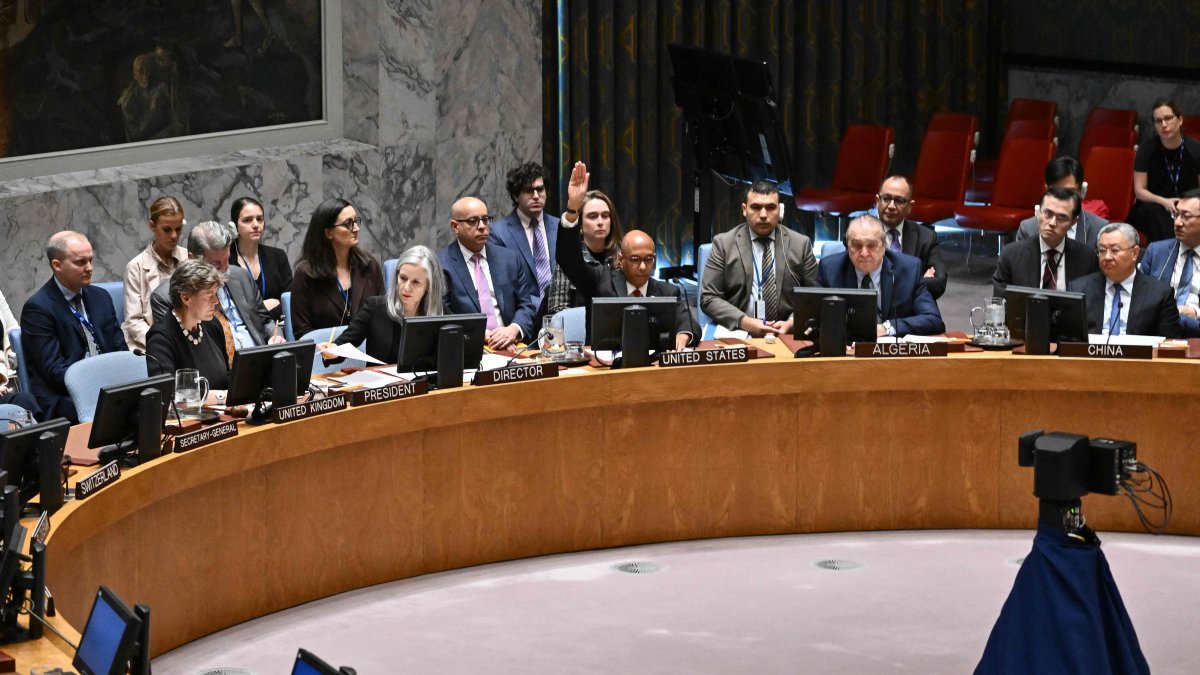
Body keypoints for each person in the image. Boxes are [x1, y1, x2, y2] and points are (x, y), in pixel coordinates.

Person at [21, 232, 127, 423]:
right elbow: (55, 371)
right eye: (80, 262)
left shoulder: (100, 297)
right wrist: (97, 383)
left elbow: (120, 348)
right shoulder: (38, 308)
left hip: (109, 387)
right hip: (65, 395)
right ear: (57, 265)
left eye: (90, 260)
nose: (89, 268)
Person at [700, 178, 818, 337]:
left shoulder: (801, 245)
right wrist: (745, 322)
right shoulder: (724, 244)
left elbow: (815, 295)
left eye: (770, 207)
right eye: (756, 207)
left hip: (786, 333)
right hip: (739, 332)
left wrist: (793, 322)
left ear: (780, 210)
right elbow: (709, 298)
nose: (763, 215)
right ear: (744, 209)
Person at [151, 221, 284, 357]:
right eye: (216, 264)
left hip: (260, 361)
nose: (226, 269)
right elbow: (180, 350)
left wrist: (276, 337)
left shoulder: (240, 276)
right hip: (213, 369)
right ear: (192, 259)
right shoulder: (166, 297)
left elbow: (265, 320)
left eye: (227, 259)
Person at [557, 223, 698, 350]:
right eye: (635, 260)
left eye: (649, 259)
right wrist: (571, 216)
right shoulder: (601, 282)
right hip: (605, 368)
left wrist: (684, 334)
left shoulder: (668, 292)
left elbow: (689, 323)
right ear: (621, 259)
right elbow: (570, 261)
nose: (643, 266)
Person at [816, 215, 945, 337]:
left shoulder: (909, 269)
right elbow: (815, 317)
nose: (864, 253)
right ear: (848, 246)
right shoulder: (830, 269)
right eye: (857, 245)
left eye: (871, 245)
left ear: (884, 246)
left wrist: (887, 328)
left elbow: (933, 319)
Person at [438, 196, 538, 350]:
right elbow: (443, 315)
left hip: (514, 345)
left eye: (485, 219)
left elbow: (526, 305)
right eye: (473, 221)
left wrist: (513, 330)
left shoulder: (509, 258)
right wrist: (477, 334)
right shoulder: (441, 264)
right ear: (454, 226)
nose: (482, 226)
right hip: (470, 348)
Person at [318, 245, 445, 364]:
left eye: (416, 282)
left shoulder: (441, 313)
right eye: (403, 278)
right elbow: (345, 342)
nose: (406, 287)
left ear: (429, 286)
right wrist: (333, 349)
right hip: (381, 385)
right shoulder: (375, 307)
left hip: (424, 385)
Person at [291, 198, 384, 338]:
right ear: (328, 233)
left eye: (355, 221)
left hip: (368, 354)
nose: (356, 229)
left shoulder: (369, 265)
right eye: (348, 224)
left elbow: (381, 317)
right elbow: (302, 332)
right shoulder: (306, 274)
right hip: (325, 355)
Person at [1068, 223, 1179, 338]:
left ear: (1134, 253)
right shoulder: (1079, 289)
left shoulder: (1160, 295)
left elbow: (1169, 344)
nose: (1107, 257)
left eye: (1114, 250)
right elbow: (1069, 339)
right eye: (1102, 250)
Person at [993, 187, 1099, 297]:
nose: (1052, 223)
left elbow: (1091, 305)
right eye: (1047, 213)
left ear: (1073, 222)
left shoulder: (1087, 259)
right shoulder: (1011, 255)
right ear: (1038, 214)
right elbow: (998, 305)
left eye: (1062, 217)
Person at [146, 259, 231, 389]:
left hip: (223, 408)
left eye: (216, 294)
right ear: (186, 298)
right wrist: (221, 397)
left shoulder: (213, 325)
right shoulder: (160, 338)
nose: (215, 301)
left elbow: (227, 378)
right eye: (209, 296)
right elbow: (168, 394)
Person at [490, 162, 560, 312]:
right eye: (529, 190)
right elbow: (505, 284)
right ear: (516, 196)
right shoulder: (498, 233)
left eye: (540, 189)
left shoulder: (560, 227)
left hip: (563, 315)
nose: (536, 196)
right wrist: (543, 307)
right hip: (523, 315)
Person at [122, 196, 188, 351]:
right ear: (152, 226)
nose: (174, 235)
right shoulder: (135, 267)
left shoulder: (188, 257)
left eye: (178, 229)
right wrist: (163, 343)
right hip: (156, 343)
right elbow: (134, 321)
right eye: (167, 229)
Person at [1129, 100, 1200, 242]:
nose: (1164, 125)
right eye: (1158, 121)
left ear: (1180, 120)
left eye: (1168, 118)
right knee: (1157, 213)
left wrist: (1185, 204)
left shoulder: (1195, 149)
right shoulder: (1146, 150)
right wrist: (1164, 201)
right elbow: (1140, 191)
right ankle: (1167, 258)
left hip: (1187, 205)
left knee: (1186, 215)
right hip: (1152, 205)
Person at [546, 189, 622, 315]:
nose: (600, 222)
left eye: (605, 216)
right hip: (578, 333)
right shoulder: (570, 260)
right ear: (580, 225)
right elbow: (557, 312)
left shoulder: (622, 258)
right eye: (592, 216)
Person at [872, 175, 948, 299]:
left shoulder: (926, 237)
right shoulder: (858, 232)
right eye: (886, 198)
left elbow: (939, 283)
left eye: (899, 201)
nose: (891, 206)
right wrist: (916, 280)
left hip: (912, 312)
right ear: (877, 201)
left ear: (910, 207)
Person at [1139, 188, 1200, 337]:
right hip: (1159, 329)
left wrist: (1195, 312)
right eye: (1176, 214)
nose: (1178, 223)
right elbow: (1138, 296)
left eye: (1186, 216)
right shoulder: (1156, 252)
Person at [1015, 156, 1108, 251]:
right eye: (1056, 192)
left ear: (1081, 191)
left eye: (1069, 192)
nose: (1062, 199)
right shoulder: (1028, 229)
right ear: (1046, 191)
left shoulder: (1099, 228)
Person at [229, 197, 293, 321]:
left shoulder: (278, 256)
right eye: (247, 220)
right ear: (234, 225)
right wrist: (264, 307)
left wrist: (256, 313)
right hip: (242, 332)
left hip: (278, 328)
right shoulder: (225, 259)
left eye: (259, 219)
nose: (256, 225)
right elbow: (230, 310)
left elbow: (290, 300)